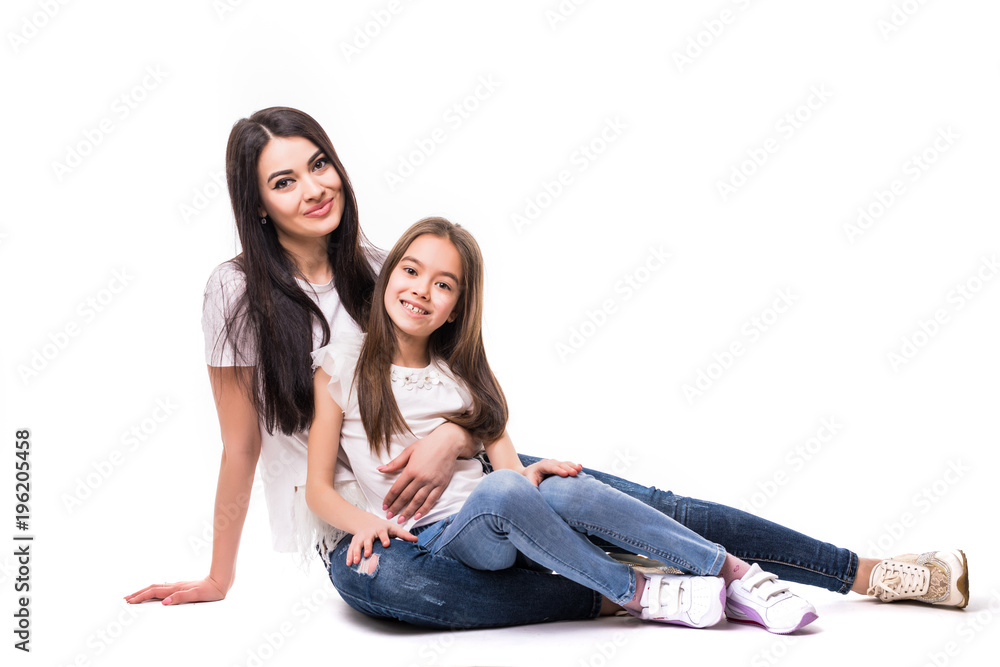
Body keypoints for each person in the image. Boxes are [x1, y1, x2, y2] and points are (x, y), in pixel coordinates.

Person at [124, 107, 969, 630]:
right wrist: (218, 574)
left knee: (646, 503)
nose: (313, 185)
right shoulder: (234, 292)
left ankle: (866, 572)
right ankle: (624, 590)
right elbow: (239, 446)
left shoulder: (384, 266)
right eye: (284, 179)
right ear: (258, 203)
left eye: (319, 163)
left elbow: (464, 384)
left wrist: (454, 436)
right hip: (371, 529)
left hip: (478, 481)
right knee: (396, 595)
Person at [305, 217, 823, 632]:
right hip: (441, 541)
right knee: (507, 491)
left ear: (456, 310)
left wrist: (533, 479)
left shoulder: (459, 373)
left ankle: (730, 571)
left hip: (505, 518)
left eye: (443, 285)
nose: (421, 291)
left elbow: (499, 446)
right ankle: (639, 590)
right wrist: (365, 523)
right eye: (411, 272)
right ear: (389, 273)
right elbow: (316, 491)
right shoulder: (342, 366)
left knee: (564, 487)